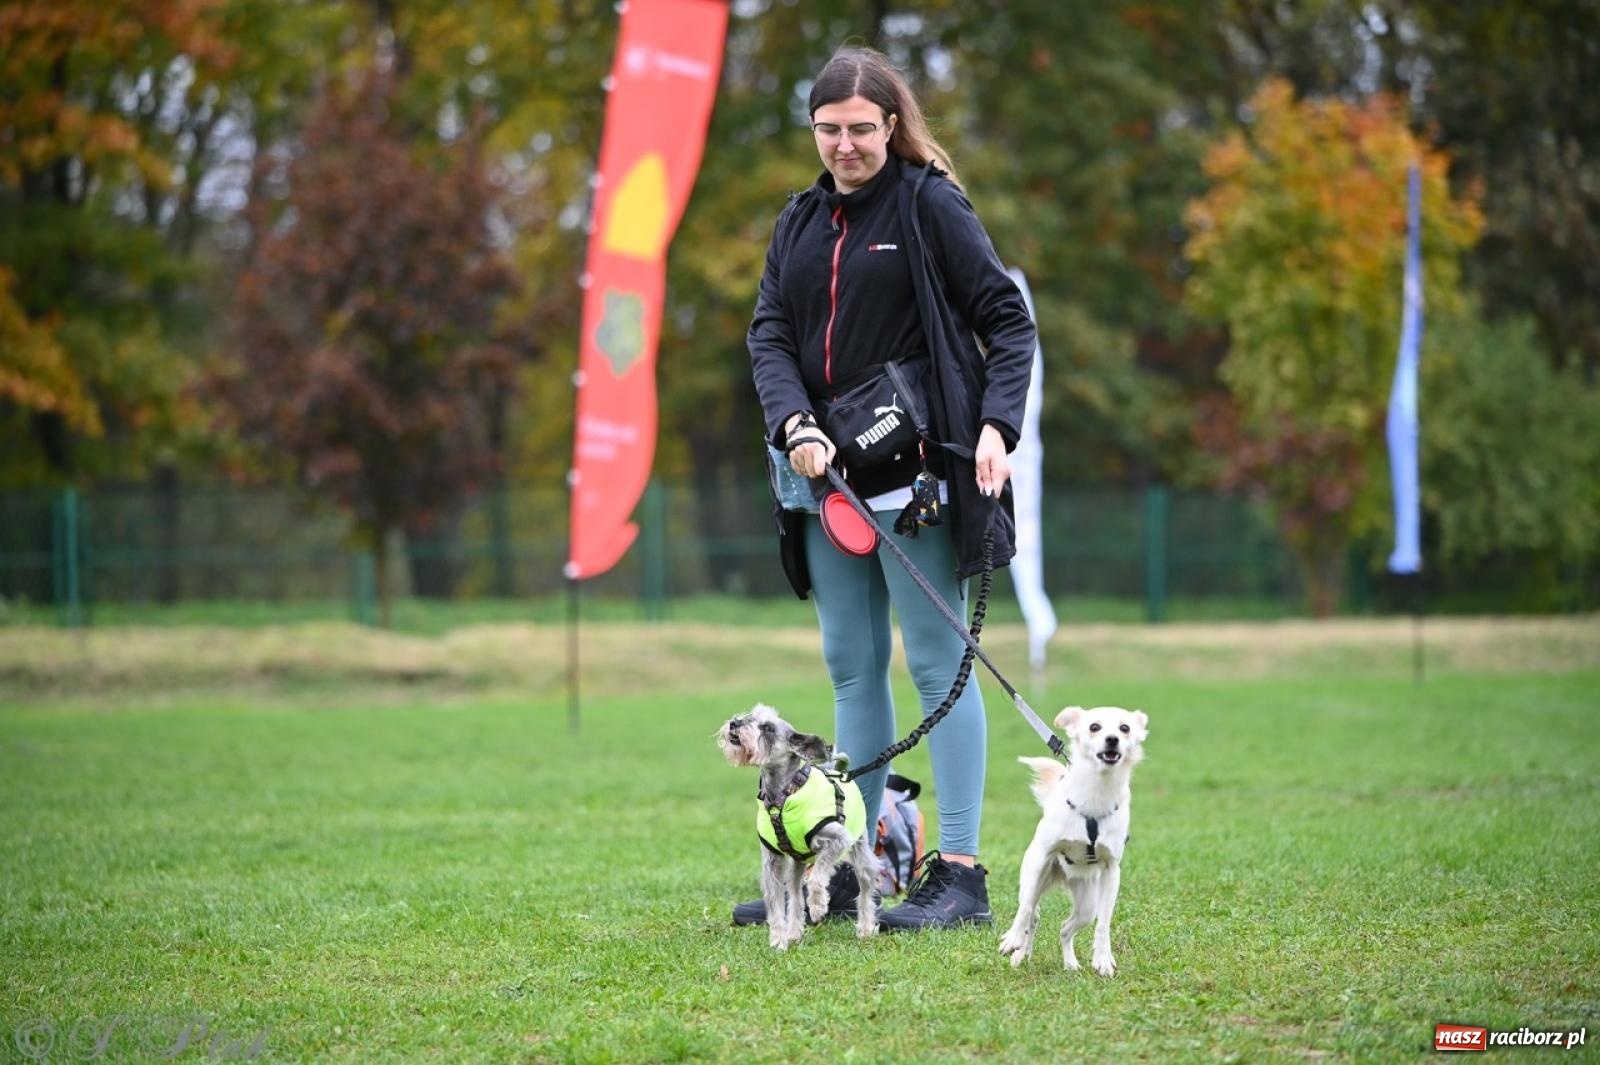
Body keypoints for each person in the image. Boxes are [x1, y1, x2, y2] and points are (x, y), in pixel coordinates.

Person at [739, 45, 1036, 931]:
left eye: (860, 130)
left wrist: (997, 427)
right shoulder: (798, 221)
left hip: (919, 482)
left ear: (892, 126)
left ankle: (963, 874)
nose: (844, 147)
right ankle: (848, 869)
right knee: (851, 669)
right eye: (828, 131)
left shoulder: (928, 202)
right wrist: (795, 423)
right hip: (822, 486)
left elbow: (1007, 321)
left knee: (939, 665)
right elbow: (769, 337)